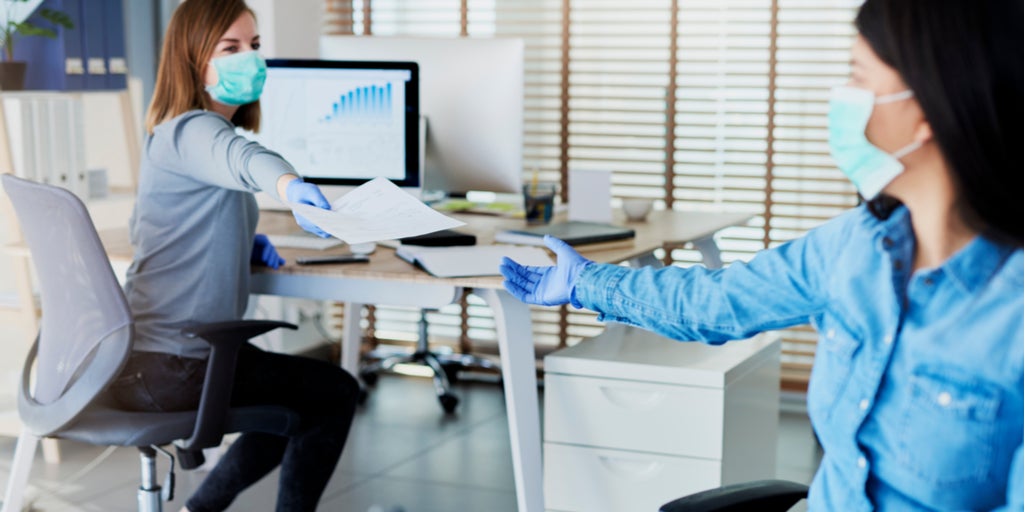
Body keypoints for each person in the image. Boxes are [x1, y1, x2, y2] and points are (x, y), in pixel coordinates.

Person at [500, 0, 1022, 510]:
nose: (843, 96)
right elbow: (718, 302)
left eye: (859, 77)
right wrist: (584, 281)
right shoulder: (856, 246)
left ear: (928, 107)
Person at [105, 1, 359, 511]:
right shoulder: (191, 130)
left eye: (255, 46)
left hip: (149, 362)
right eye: (231, 47)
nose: (251, 58)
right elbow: (243, 158)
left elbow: (155, 230)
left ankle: (200, 509)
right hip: (178, 365)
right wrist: (291, 187)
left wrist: (240, 245)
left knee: (300, 400)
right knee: (334, 393)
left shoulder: (170, 136)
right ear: (193, 58)